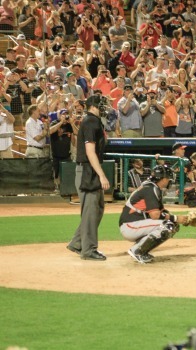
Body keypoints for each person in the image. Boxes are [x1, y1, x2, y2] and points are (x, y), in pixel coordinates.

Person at [119, 165, 196, 264]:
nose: (169, 180)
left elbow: (162, 212)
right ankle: (137, 251)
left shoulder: (153, 187)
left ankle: (141, 250)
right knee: (167, 226)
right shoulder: (150, 189)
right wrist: (175, 218)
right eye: (168, 178)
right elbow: (155, 215)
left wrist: (183, 219)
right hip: (130, 226)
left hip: (135, 224)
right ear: (163, 179)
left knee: (173, 223)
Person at [67, 95, 111, 261]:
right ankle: (88, 250)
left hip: (88, 170)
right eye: (103, 103)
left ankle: (78, 242)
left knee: (97, 209)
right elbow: (90, 151)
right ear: (94, 106)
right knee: (91, 212)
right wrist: (101, 175)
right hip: (87, 171)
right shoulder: (91, 121)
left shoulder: (93, 121)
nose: (105, 106)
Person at [49, 111, 74, 191]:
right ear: (59, 115)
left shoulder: (69, 125)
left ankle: (66, 190)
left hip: (67, 155)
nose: (65, 116)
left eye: (66, 114)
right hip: (56, 155)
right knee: (56, 174)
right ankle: (57, 189)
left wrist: (72, 123)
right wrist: (61, 122)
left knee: (68, 173)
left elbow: (76, 133)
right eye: (63, 114)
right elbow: (50, 131)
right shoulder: (54, 122)